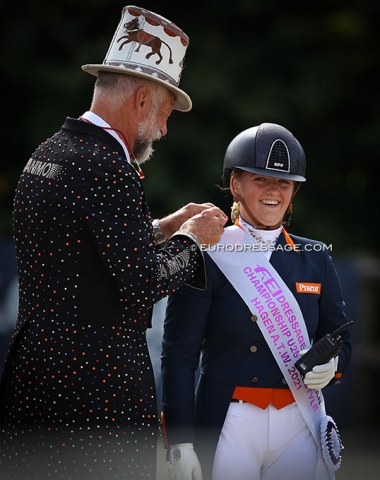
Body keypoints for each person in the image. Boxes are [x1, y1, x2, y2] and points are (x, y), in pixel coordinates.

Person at [0, 5, 227, 480]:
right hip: (94, 392)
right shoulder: (108, 167)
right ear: (142, 101)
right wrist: (193, 239)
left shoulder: (49, 152)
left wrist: (163, 227)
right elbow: (141, 282)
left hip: (32, 379)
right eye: (165, 114)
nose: (163, 130)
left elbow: (83, 251)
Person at [161, 123, 352, 480]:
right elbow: (179, 354)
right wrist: (181, 441)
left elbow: (340, 334)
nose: (273, 191)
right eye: (260, 180)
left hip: (298, 422)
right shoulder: (208, 252)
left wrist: (335, 365)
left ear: (293, 191)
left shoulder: (315, 256)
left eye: (283, 183)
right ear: (236, 184)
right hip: (231, 420)